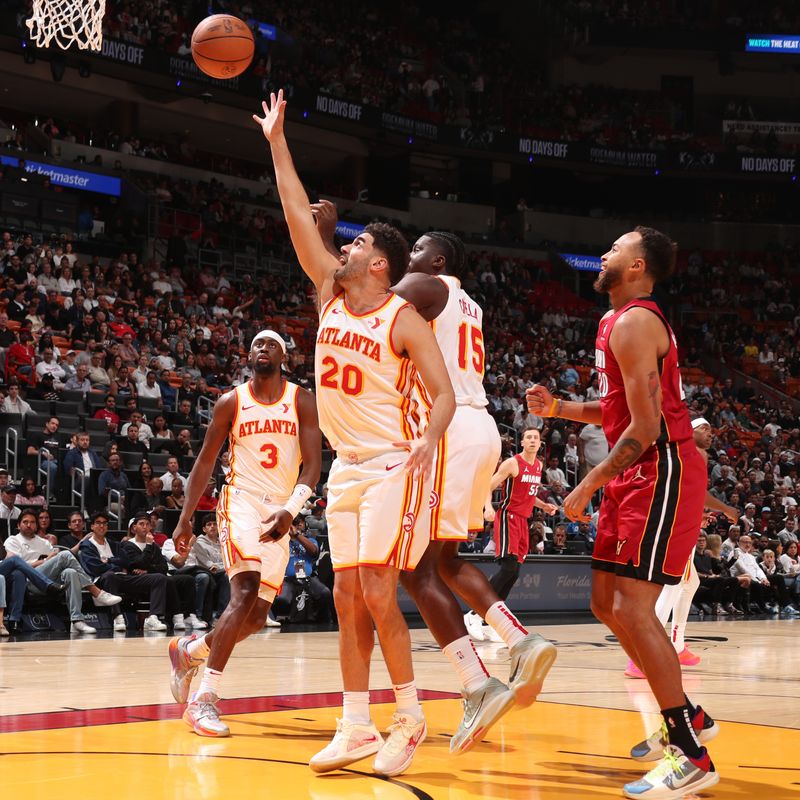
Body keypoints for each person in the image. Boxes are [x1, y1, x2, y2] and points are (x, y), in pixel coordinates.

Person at [255, 90, 455, 777]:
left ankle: (410, 715)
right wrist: (278, 141)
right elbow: (293, 215)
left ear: (380, 266)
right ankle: (355, 725)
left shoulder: (402, 318)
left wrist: (428, 440)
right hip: (346, 468)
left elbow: (445, 393)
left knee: (375, 589)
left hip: (393, 465)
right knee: (346, 596)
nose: (344, 245)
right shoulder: (328, 293)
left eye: (359, 243)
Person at [315, 214, 558, 753]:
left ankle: (480, 680)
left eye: (420, 248)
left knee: (413, 570)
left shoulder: (424, 287)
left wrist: (342, 254)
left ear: (437, 261)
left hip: (443, 428)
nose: (414, 256)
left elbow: (372, 293)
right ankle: (516, 639)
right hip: (483, 426)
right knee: (442, 561)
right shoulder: (470, 303)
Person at [526, 227, 719, 798]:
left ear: (637, 267)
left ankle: (690, 751)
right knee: (604, 602)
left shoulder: (636, 321)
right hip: (634, 470)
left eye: (615, 248)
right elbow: (617, 413)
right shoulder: (616, 321)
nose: (604, 253)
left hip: (660, 469)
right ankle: (688, 712)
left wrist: (588, 483)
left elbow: (646, 427)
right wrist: (560, 408)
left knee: (634, 608)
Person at [168, 329, 321, 738]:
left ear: (283, 356)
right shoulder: (231, 401)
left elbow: (312, 467)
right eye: (256, 344)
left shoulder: (301, 400)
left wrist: (291, 510)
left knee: (254, 617)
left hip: (280, 510)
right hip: (241, 500)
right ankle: (204, 700)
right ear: (248, 355)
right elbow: (204, 462)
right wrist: (185, 517)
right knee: (244, 589)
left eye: (270, 344)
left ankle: (191, 651)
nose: (262, 348)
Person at [624, 416, 740, 678]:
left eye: (712, 429)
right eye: (704, 428)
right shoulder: (693, 453)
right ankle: (641, 655)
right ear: (690, 431)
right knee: (674, 585)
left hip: (680, 523)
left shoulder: (689, 454)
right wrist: (726, 509)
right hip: (675, 528)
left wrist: (698, 514)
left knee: (690, 584)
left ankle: (676, 645)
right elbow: (695, 493)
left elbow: (685, 493)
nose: (711, 434)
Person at [477, 428, 558, 625]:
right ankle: (476, 612)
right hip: (507, 517)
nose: (532, 440)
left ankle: (491, 621)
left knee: (514, 573)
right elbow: (488, 485)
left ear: (540, 444)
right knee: (508, 568)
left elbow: (529, 494)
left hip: (523, 520)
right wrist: (488, 507)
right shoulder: (512, 463)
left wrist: (544, 506)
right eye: (528, 437)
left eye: (535, 438)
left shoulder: (538, 466)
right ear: (521, 442)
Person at [5, 509, 121, 633]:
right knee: (65, 555)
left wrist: (50, 560)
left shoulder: (44, 543)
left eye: (32, 522)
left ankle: (76, 621)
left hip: (50, 582)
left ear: (36, 525)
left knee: (70, 572)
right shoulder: (13, 540)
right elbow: (14, 564)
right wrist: (44, 561)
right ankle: (96, 592)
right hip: (28, 582)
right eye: (25, 522)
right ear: (18, 525)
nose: (29, 525)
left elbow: (56, 563)